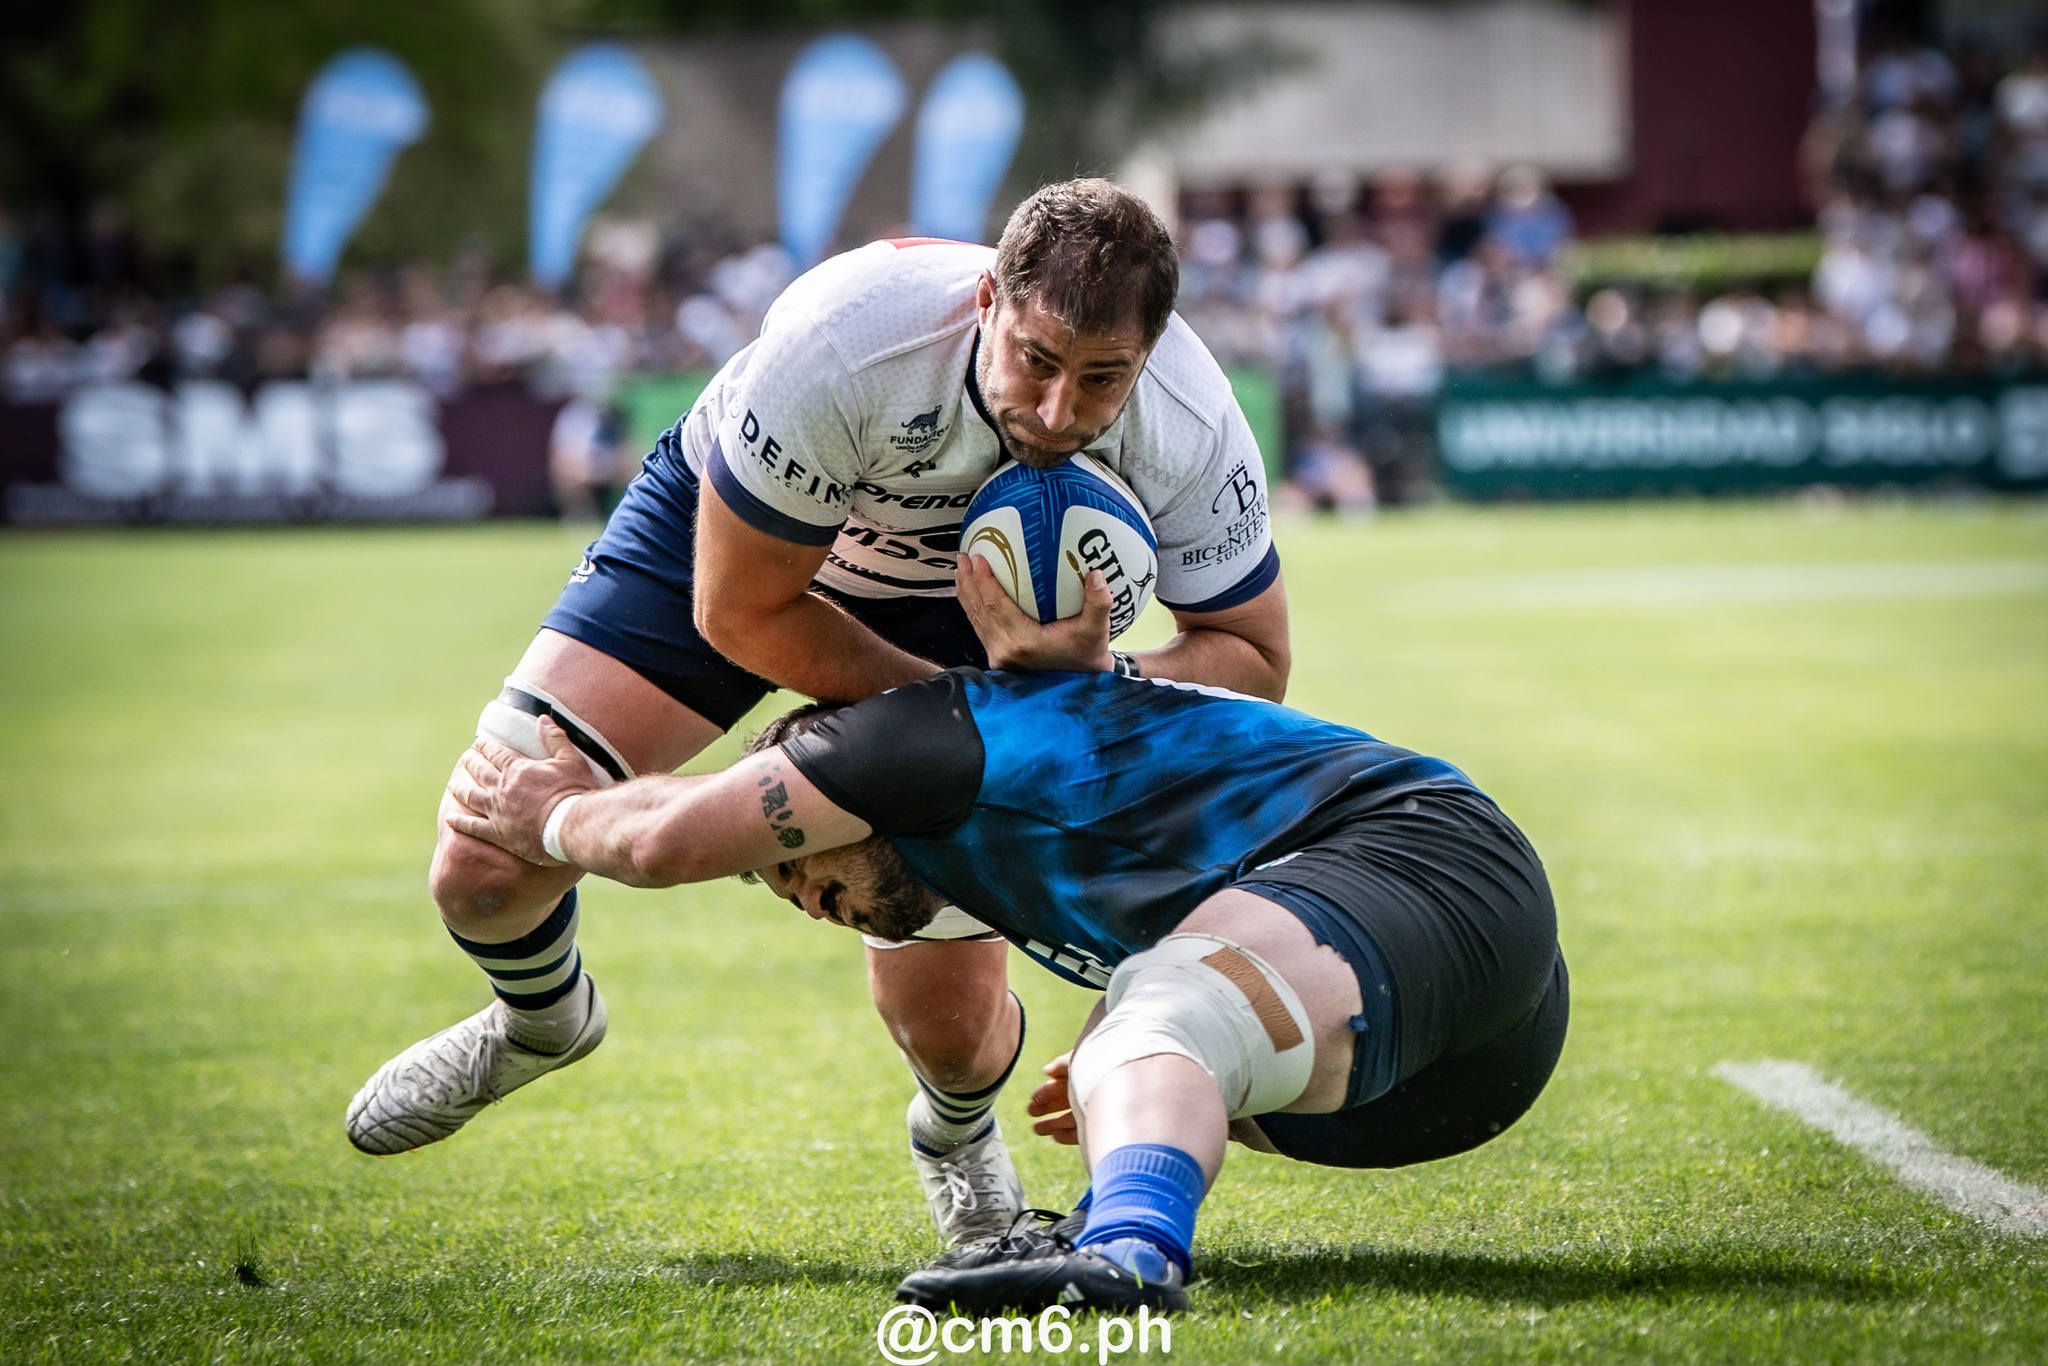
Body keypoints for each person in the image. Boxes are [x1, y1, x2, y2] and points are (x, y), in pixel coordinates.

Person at [343, 180, 1292, 1264]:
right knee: (480, 865)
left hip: (974, 610)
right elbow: (738, 609)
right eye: (1035, 358)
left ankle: (956, 1134)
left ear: (1150, 351)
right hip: (754, 547)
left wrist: (1091, 673)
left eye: (1101, 380)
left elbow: (1253, 658)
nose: (1058, 410)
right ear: (987, 299)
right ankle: (540, 1020)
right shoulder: (850, 339)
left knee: (946, 1021)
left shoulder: (1190, 417)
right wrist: (964, 718)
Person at [440, 665, 1568, 1314]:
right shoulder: (967, 848)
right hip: (1450, 1079)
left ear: (824, 789)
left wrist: (545, 814)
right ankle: (1101, 1218)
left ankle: (1123, 1258)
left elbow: (664, 841)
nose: (803, 896)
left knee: (1157, 1023)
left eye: (797, 862)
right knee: (1124, 1059)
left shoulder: (894, 742)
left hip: (1425, 861)